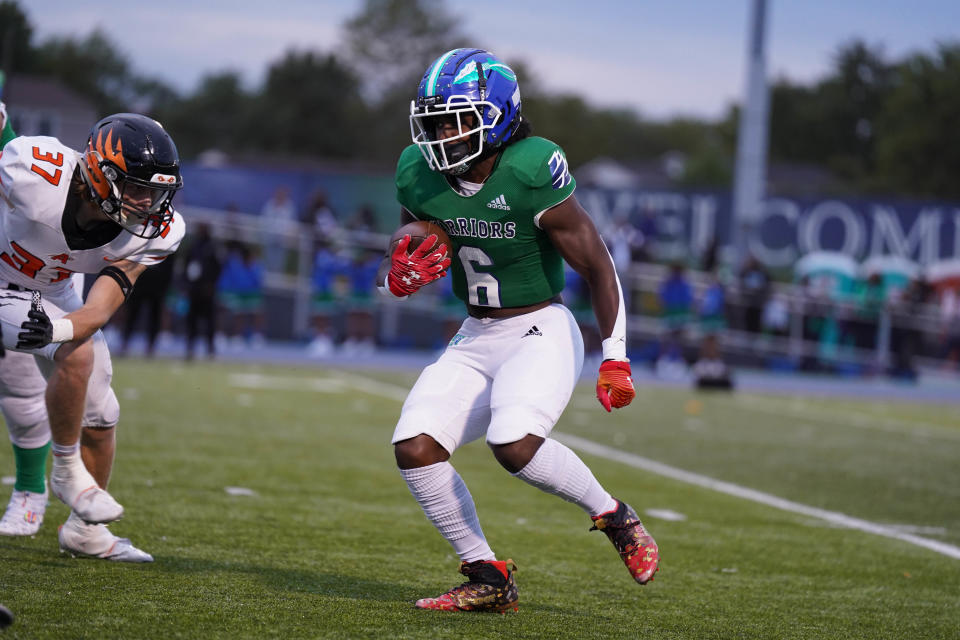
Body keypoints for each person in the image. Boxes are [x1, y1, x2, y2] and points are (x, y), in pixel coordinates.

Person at [378, 48, 658, 613]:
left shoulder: (530, 170)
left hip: (540, 328)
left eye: (457, 119)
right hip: (476, 333)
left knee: (514, 443)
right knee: (415, 447)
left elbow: (599, 266)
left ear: (498, 116)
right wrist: (399, 269)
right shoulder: (418, 172)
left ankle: (613, 515)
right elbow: (418, 232)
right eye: (434, 120)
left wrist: (617, 355)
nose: (443, 134)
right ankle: (487, 574)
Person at [0, 112, 185, 562]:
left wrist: (59, 328)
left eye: (157, 191)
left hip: (57, 291)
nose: (148, 203)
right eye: (139, 188)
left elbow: (98, 310)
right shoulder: (31, 171)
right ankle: (65, 471)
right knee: (75, 356)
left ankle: (85, 532)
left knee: (102, 414)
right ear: (99, 174)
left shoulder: (158, 231)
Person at [184, 222, 223, 361]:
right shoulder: (193, 247)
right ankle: (190, 348)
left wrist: (211, 285)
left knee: (209, 322)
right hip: (194, 290)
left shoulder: (213, 247)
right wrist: (187, 285)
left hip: (207, 291)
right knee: (192, 321)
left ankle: (210, 349)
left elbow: (218, 268)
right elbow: (187, 266)